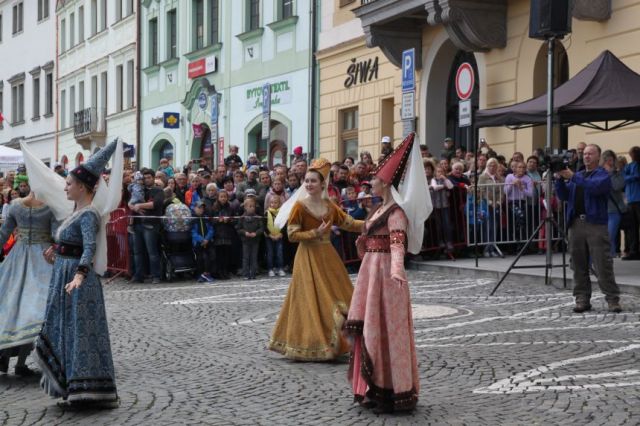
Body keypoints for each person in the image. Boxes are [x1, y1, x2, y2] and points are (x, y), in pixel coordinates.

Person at [29, 138, 123, 408]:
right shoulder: (75, 212)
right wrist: (55, 252)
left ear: (82, 187)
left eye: (69, 183)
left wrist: (80, 275)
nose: (66, 187)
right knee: (65, 329)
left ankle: (88, 389)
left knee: (79, 331)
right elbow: (71, 245)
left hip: (77, 282)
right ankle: (70, 385)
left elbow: (89, 248)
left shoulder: (89, 214)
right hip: (64, 275)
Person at [345, 132, 430, 414]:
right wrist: (362, 241)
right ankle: (370, 387)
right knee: (373, 326)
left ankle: (391, 390)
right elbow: (369, 234)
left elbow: (397, 244)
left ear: (386, 183)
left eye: (376, 179)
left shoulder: (396, 212)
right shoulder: (379, 207)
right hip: (371, 271)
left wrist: (396, 271)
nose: (372, 182)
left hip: (384, 275)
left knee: (386, 331)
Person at [268, 158, 364, 361]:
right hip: (307, 258)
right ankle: (312, 344)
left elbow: (349, 223)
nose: (309, 184)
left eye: (313, 181)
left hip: (327, 256)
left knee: (339, 295)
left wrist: (374, 222)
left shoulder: (330, 206)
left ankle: (341, 342)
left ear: (322, 184)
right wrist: (314, 233)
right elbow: (292, 235)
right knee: (310, 300)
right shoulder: (300, 207)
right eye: (307, 181)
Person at [555, 144, 622, 313]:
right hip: (576, 224)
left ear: (598, 157)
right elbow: (563, 196)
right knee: (578, 265)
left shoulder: (602, 175)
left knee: (602, 263)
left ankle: (612, 299)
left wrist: (573, 177)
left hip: (595, 225)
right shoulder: (578, 175)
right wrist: (559, 179)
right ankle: (582, 299)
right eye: (584, 154)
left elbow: (594, 188)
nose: (586, 156)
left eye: (590, 154)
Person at [0, 188, 57, 376]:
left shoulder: (16, 205)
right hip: (43, 258)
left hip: (18, 256)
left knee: (13, 305)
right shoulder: (51, 207)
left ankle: (7, 358)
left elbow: (3, 233)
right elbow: (57, 235)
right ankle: (20, 363)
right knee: (36, 309)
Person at [129, 168, 164, 284]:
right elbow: (130, 203)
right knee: (137, 252)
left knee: (152, 252)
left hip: (151, 225)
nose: (147, 179)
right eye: (145, 178)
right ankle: (138, 276)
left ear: (154, 178)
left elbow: (155, 204)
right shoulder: (139, 189)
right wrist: (134, 206)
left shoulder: (158, 190)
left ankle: (156, 276)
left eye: (149, 177)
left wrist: (140, 205)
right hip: (138, 224)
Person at [602, 150, 627, 258]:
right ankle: (608, 261)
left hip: (614, 211)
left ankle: (607, 261)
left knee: (609, 237)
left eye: (611, 160)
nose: (609, 162)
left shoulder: (618, 174)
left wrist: (611, 173)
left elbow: (617, 186)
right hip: (601, 211)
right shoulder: (599, 173)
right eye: (607, 160)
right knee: (603, 239)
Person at [236, 197, 263, 280]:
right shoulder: (242, 218)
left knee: (254, 257)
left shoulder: (258, 217)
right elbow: (238, 228)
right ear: (245, 207)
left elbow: (261, 228)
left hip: (255, 240)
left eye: (253, 206)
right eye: (250, 206)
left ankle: (253, 273)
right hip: (245, 241)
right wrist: (245, 233)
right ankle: (245, 273)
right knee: (246, 257)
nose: (252, 208)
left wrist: (256, 233)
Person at [212, 190, 237, 279]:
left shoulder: (230, 208)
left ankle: (225, 271)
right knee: (219, 254)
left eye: (225, 197)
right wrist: (218, 220)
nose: (223, 198)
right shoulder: (214, 208)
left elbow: (235, 220)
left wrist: (229, 220)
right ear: (218, 198)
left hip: (227, 234)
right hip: (218, 234)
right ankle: (219, 271)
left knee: (226, 254)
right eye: (221, 197)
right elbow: (211, 220)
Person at [622, 146, 640, 260]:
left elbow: (637, 176)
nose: (630, 156)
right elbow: (623, 176)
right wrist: (629, 177)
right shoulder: (629, 165)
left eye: (631, 154)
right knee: (632, 227)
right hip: (631, 199)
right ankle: (633, 251)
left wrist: (628, 177)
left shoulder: (637, 165)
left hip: (638, 199)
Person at [191, 200, 215, 283]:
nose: (201, 209)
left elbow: (211, 229)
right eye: (199, 208)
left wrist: (207, 239)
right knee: (200, 258)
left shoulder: (206, 218)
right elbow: (193, 232)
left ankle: (207, 274)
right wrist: (201, 239)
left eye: (202, 208)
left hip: (208, 242)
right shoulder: (192, 219)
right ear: (194, 208)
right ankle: (200, 275)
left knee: (211, 256)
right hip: (198, 243)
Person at [265, 196, 285, 277]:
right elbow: (264, 226)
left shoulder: (282, 213)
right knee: (270, 253)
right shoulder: (266, 213)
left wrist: (280, 234)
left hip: (279, 236)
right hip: (269, 237)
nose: (273, 204)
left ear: (279, 203)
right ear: (269, 203)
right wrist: (270, 235)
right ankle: (270, 269)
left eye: (275, 202)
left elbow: (284, 224)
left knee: (279, 253)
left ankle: (280, 268)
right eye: (272, 202)